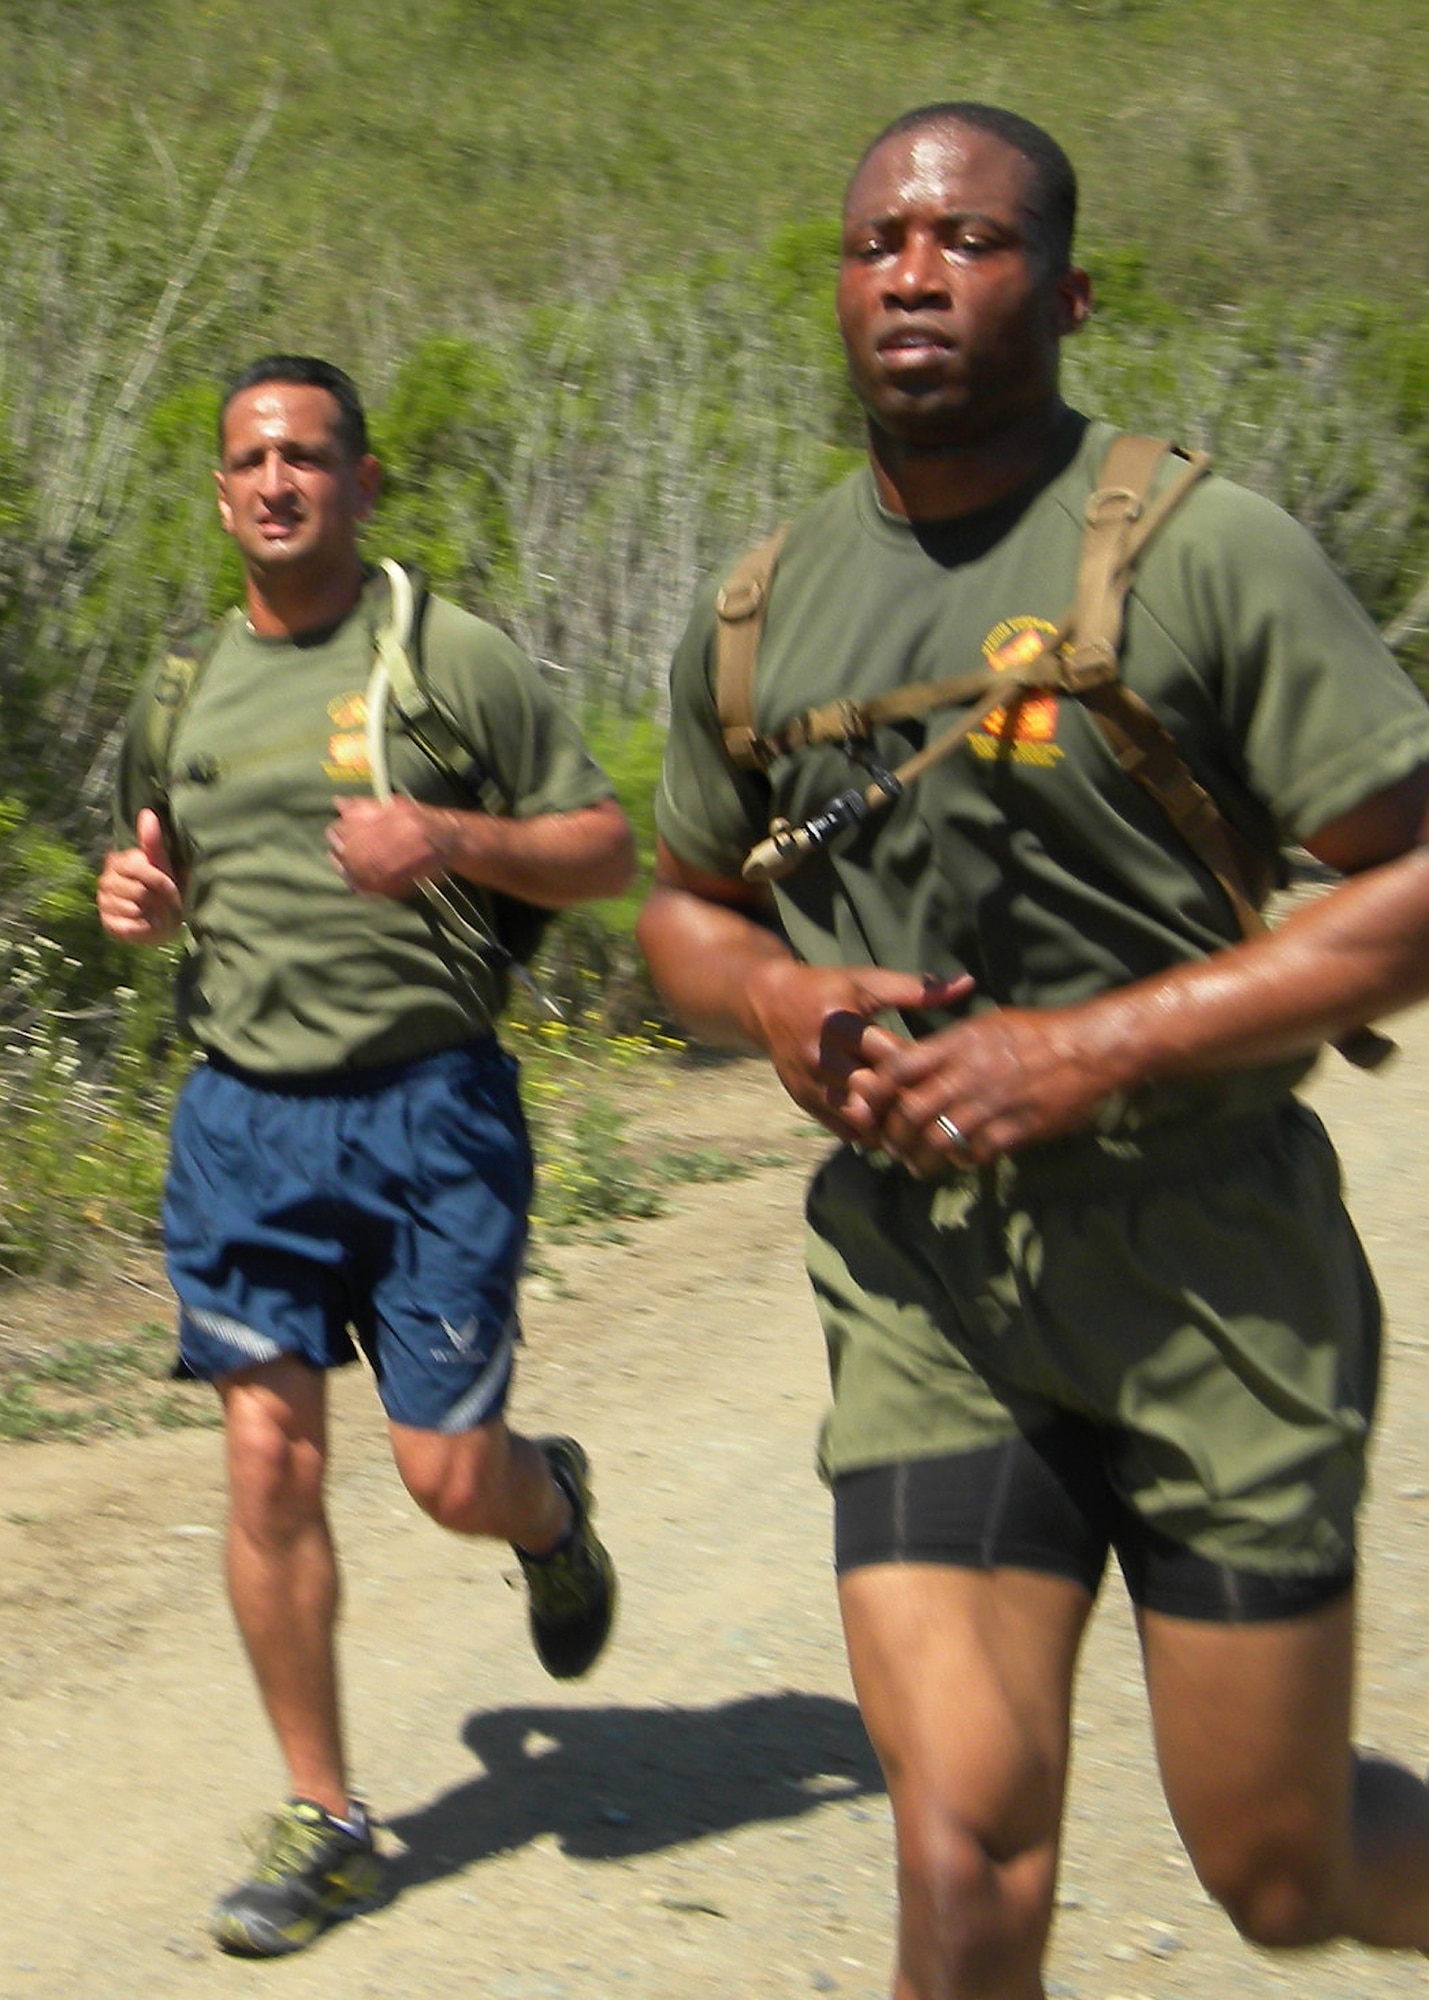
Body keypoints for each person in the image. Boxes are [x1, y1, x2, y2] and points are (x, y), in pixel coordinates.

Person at [637, 103, 1429, 2000]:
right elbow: (683, 908)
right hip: (929, 1285)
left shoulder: (1205, 552)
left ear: (1063, 295)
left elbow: (1406, 882)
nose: (912, 274)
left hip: (1209, 1269)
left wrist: (1085, 1053)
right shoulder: (760, 604)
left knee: (1278, 1869)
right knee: (963, 1848)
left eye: (968, 242)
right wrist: (774, 1001)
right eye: (877, 245)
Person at [97, 355, 635, 1958]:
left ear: (363, 480)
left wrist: (449, 835)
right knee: (267, 1465)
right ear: (220, 493)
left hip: (428, 1116)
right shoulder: (181, 689)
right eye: (251, 459)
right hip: (241, 1123)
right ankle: (324, 1818)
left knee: (447, 1475)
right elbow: (158, 870)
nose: (278, 481)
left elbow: (604, 849)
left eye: (309, 456)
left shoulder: (446, 656)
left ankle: (547, 1513)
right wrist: (144, 908)